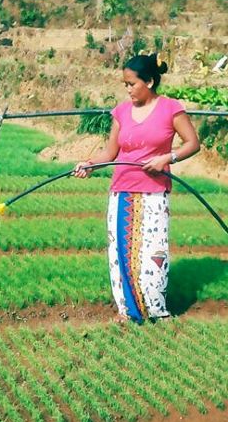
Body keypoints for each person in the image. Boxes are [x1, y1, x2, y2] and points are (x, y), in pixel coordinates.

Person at [74, 53, 200, 323]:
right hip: (122, 192)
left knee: (153, 253)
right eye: (125, 85)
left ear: (150, 81)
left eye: (132, 84)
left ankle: (155, 311)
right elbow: (110, 152)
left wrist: (167, 158)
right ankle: (127, 312)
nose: (128, 89)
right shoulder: (121, 112)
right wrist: (89, 164)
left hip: (154, 193)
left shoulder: (171, 109)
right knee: (121, 252)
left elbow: (192, 143)